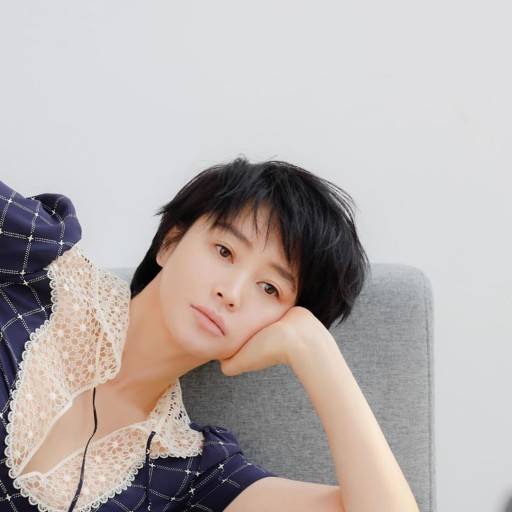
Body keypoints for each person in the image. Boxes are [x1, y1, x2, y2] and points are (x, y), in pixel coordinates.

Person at [0, 156, 379, 512]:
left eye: (270, 289)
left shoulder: (189, 474)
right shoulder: (36, 264)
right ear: (171, 242)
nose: (231, 293)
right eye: (224, 251)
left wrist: (316, 352)